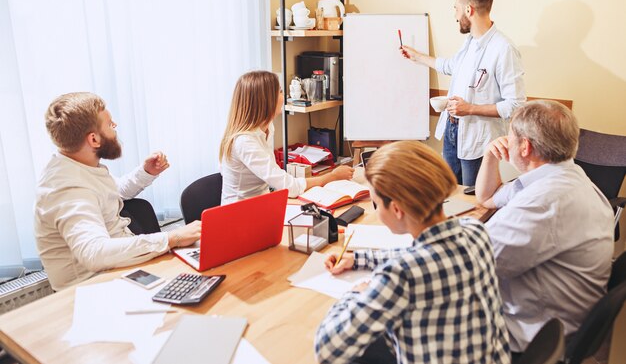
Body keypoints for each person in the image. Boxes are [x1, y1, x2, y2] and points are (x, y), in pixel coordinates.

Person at [315, 141, 510, 364]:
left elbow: (326, 350)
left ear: (397, 209)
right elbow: (423, 254)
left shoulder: (400, 276)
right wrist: (359, 258)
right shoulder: (474, 230)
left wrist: (357, 293)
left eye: (376, 203)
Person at [475, 100, 614, 352]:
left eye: (510, 136)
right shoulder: (564, 177)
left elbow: (472, 266)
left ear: (525, 147)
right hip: (554, 319)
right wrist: (489, 156)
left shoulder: (545, 201)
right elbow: (486, 199)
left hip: (530, 336)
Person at [35, 92, 201, 291]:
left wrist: (146, 172)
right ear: (94, 139)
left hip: (123, 271)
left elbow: (113, 193)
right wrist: (173, 238)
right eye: (110, 125)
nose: (115, 128)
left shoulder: (76, 163)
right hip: (94, 289)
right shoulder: (68, 189)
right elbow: (95, 253)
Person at [402, 0, 526, 186]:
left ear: (469, 10)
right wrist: (416, 56)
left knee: (475, 198)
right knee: (449, 191)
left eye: (456, 9)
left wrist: (469, 108)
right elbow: (451, 66)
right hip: (453, 130)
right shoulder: (470, 42)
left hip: (479, 139)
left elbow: (515, 105)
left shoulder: (504, 49)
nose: (455, 16)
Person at [219, 70, 354, 205]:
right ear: (266, 100)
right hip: (240, 215)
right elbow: (290, 187)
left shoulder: (267, 127)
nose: (284, 96)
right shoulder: (244, 142)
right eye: (280, 91)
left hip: (262, 205)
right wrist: (332, 177)